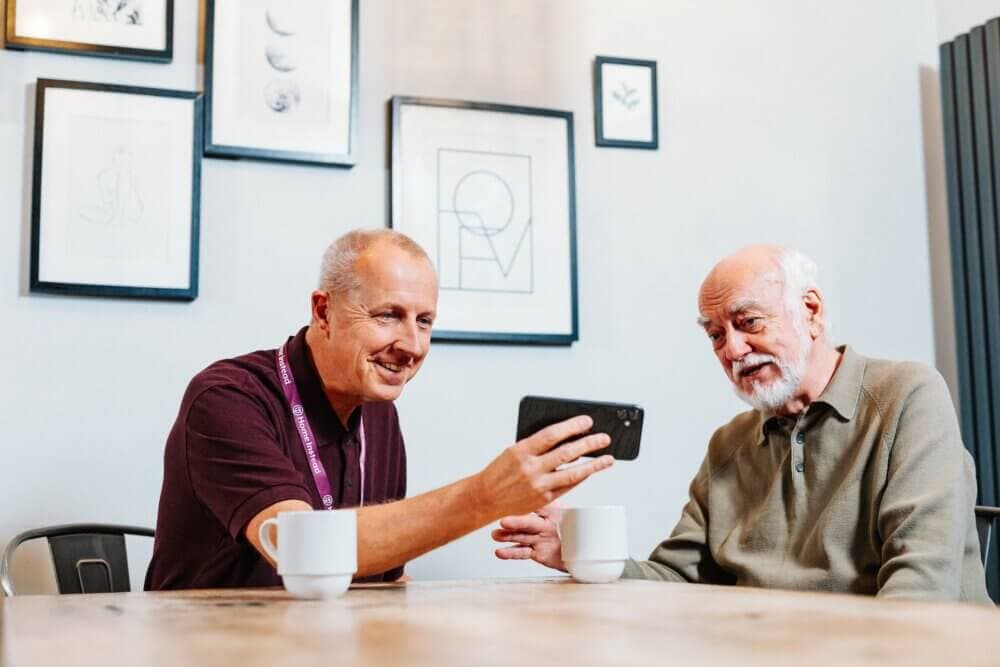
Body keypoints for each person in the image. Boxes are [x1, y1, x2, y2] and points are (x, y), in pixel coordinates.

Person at [493, 245, 990, 603]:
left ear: (811, 312)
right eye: (715, 335)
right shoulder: (729, 444)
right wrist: (582, 556)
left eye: (749, 322)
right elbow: (677, 577)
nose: (731, 350)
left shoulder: (908, 396)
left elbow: (920, 588)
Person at [145, 229, 613, 589]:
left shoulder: (379, 412)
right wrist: (485, 495)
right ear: (323, 312)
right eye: (388, 315)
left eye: (425, 321)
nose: (411, 345)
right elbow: (300, 548)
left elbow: (383, 580)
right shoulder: (227, 398)